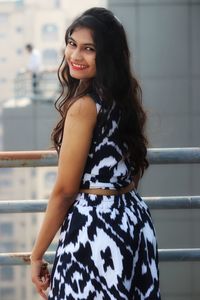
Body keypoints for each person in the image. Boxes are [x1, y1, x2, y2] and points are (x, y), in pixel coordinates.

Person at [30, 7, 161, 300]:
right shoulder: (121, 98)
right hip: (132, 221)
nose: (75, 55)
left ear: (107, 55)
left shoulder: (84, 107)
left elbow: (64, 190)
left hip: (96, 232)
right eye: (72, 43)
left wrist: (37, 254)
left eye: (89, 49)